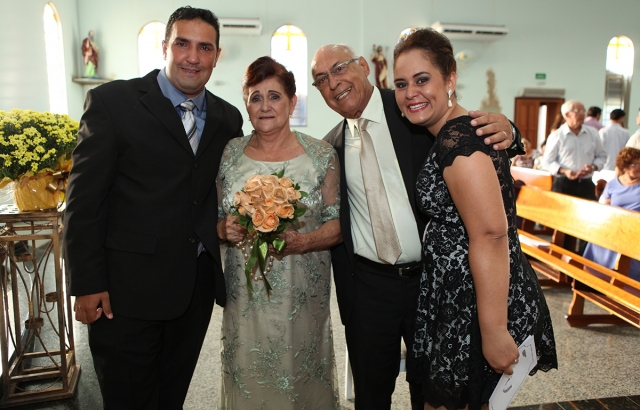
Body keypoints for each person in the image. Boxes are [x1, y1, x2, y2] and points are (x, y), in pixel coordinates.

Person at [312, 43, 521, 409]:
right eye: (321, 79)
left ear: (363, 66)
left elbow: (470, 135)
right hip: (369, 287)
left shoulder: (413, 109)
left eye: (340, 68)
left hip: (432, 282)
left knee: (432, 393)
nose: (333, 82)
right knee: (371, 395)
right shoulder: (331, 147)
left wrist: (511, 131)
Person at [64, 6, 243, 409]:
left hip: (192, 292)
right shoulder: (112, 102)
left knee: (169, 398)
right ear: (164, 47)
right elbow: (84, 201)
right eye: (182, 44)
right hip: (125, 293)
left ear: (217, 56)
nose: (192, 57)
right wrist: (87, 282)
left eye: (205, 47)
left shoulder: (227, 118)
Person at [393, 27, 557, 410]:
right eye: (401, 84)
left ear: (450, 79)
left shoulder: (459, 140)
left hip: (476, 304)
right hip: (460, 296)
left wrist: (494, 330)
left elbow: (491, 234)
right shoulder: (456, 131)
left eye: (422, 79)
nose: (411, 92)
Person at [216, 56, 341, 409]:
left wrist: (303, 241)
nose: (265, 106)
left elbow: (338, 223)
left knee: (298, 381)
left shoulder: (321, 155)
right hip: (245, 297)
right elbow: (216, 218)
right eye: (255, 98)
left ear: (292, 102)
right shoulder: (231, 153)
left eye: (274, 96)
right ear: (246, 104)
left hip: (301, 297)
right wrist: (224, 229)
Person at [584, 147, 640, 295]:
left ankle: (626, 282)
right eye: (634, 164)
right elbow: (604, 204)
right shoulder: (613, 184)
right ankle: (599, 276)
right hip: (614, 225)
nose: (638, 168)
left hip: (635, 228)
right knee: (597, 238)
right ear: (625, 166)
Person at [542, 100, 607, 200]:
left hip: (586, 184)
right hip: (563, 184)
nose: (583, 114)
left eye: (584, 111)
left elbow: (602, 156)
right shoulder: (557, 135)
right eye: (578, 111)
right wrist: (564, 171)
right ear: (567, 114)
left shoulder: (593, 133)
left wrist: (593, 167)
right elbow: (547, 162)